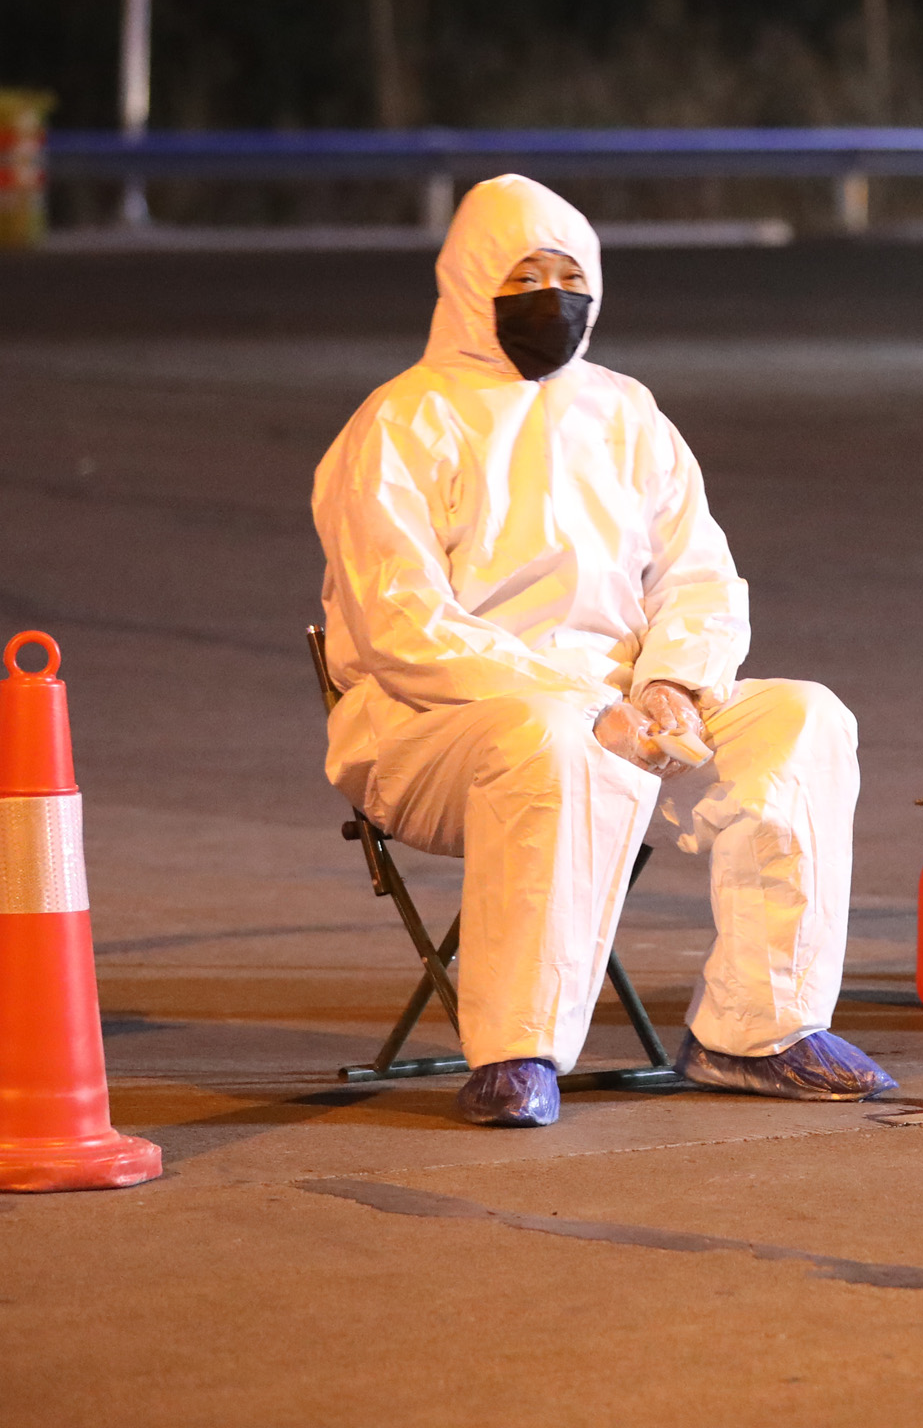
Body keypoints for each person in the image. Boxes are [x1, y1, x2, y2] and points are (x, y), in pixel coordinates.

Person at [312, 174, 893, 1125]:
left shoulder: (626, 415)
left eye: (569, 273)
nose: (552, 295)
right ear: (468, 286)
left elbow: (700, 575)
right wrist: (585, 703)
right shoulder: (400, 426)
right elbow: (405, 631)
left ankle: (761, 1031)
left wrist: (673, 681)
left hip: (629, 716)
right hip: (440, 736)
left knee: (802, 719)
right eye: (523, 274)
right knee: (552, 743)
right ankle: (516, 1052)